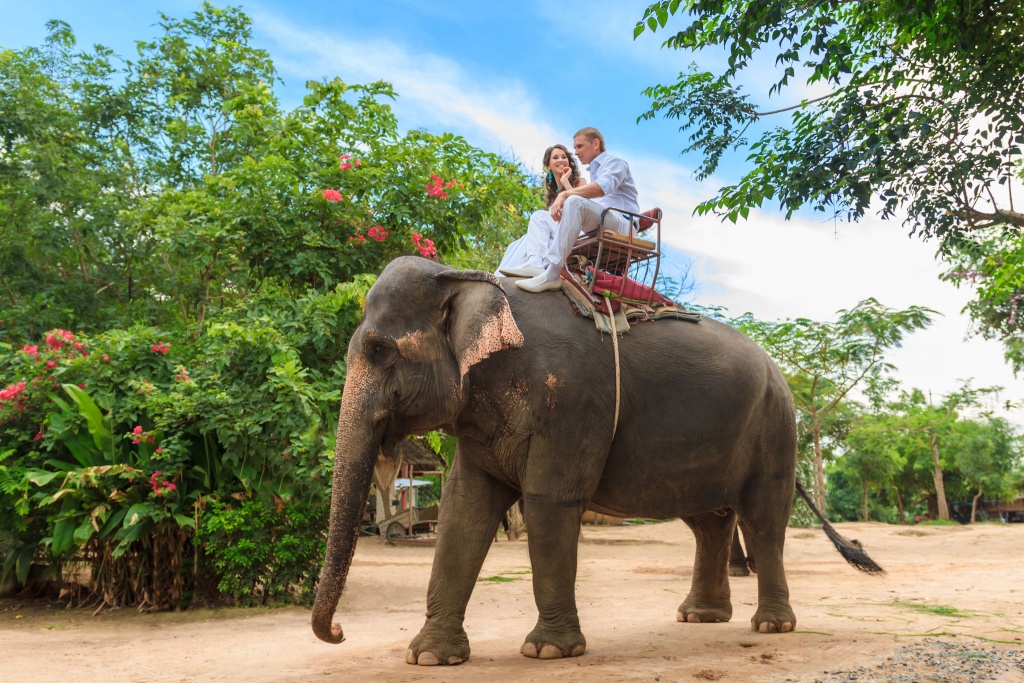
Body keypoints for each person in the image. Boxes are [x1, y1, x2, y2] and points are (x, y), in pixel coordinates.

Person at [500, 127, 639, 293]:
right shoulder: (595, 171)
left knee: (573, 201)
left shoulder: (615, 163)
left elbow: (601, 188)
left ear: (596, 144)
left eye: (579, 146)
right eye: (575, 148)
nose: (576, 152)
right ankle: (535, 265)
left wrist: (564, 194)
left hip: (622, 224)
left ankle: (552, 275)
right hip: (599, 222)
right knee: (540, 217)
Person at [496, 144, 584, 275]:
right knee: (517, 244)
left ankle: (535, 266)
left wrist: (566, 181)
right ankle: (502, 275)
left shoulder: (580, 182)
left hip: (574, 228)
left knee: (539, 216)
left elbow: (579, 205)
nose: (560, 159)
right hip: (557, 231)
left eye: (564, 157)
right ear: (548, 166)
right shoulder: (552, 194)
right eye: (555, 157)